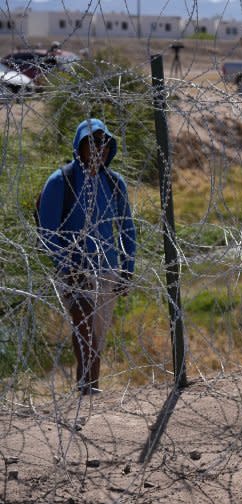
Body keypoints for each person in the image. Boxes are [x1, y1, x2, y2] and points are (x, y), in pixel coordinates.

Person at [38, 119, 137, 396]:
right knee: (84, 328)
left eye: (104, 143)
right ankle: (88, 390)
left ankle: (89, 388)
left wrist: (127, 268)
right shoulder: (61, 182)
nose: (98, 149)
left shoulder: (114, 183)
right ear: (79, 146)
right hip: (75, 271)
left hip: (107, 269)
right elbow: (48, 232)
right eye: (91, 142)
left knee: (97, 334)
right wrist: (68, 266)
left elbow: (126, 228)